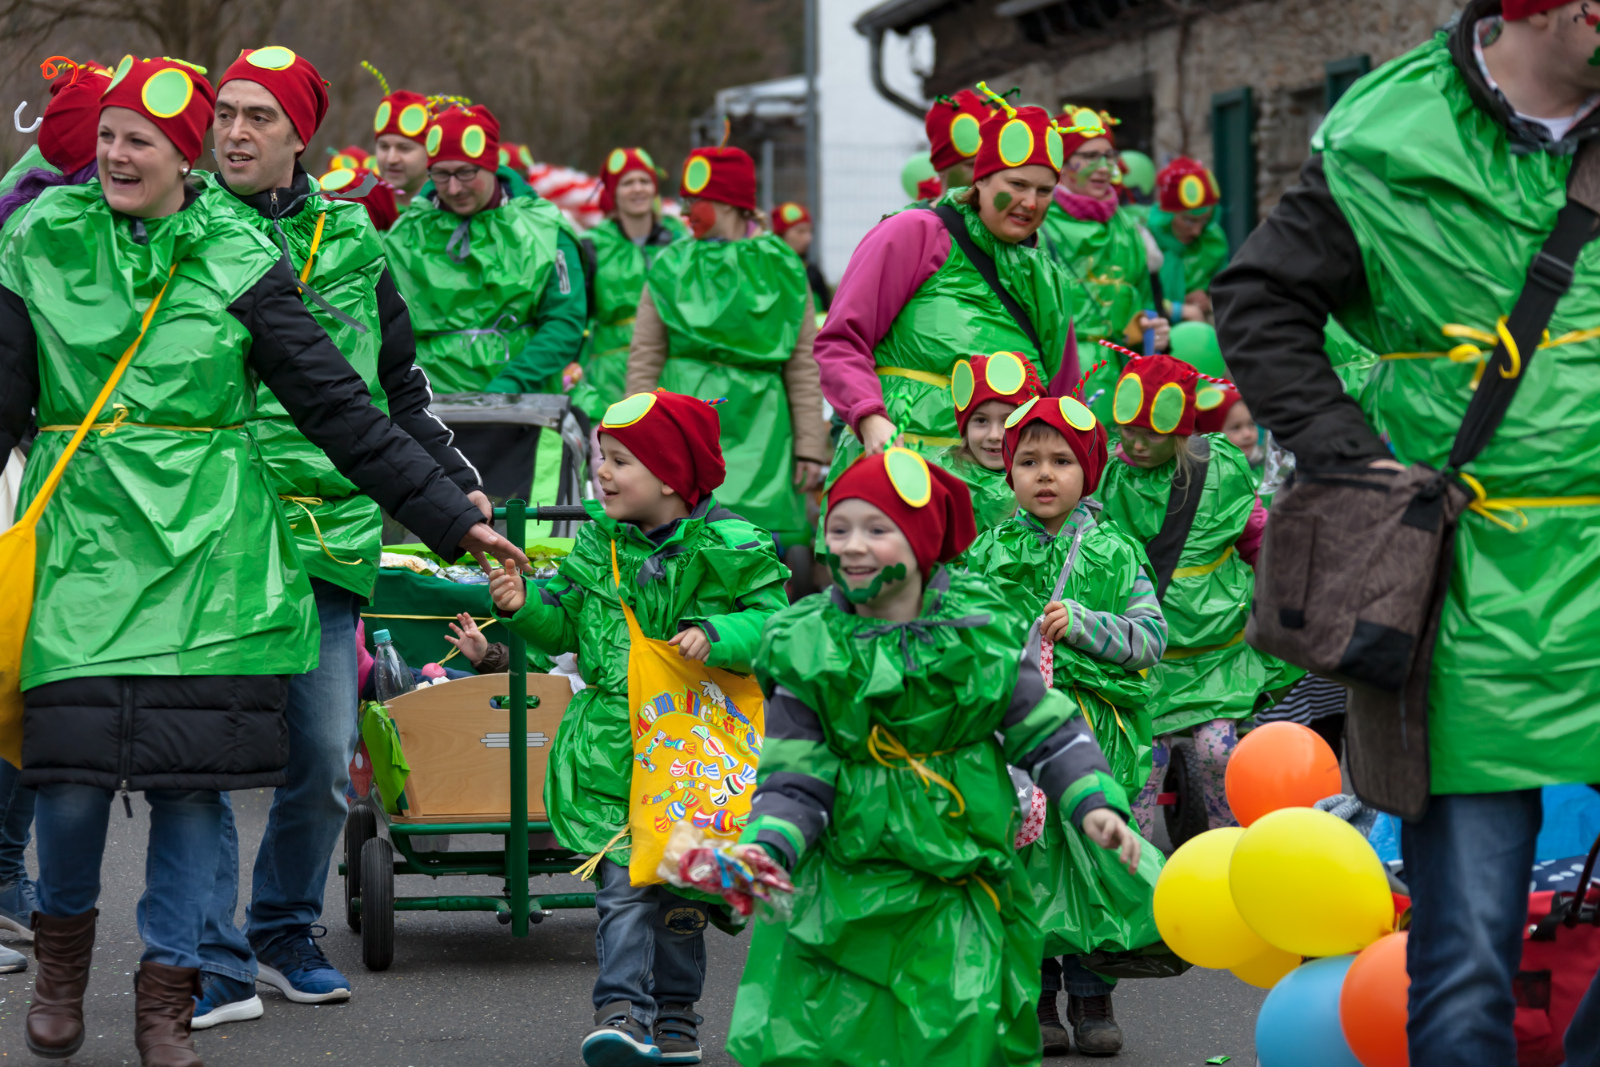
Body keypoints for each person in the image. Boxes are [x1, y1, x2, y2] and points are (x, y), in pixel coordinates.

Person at [0, 54, 525, 1067]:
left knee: (192, 786)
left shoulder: (238, 252)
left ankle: (171, 996)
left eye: (138, 139)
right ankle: (63, 964)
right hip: (85, 550)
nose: (114, 153)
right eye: (106, 134)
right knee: (64, 775)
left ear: (181, 153)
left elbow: (346, 408)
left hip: (217, 561)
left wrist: (449, 518)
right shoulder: (37, 240)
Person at [1211, 1, 1600, 1062]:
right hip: (1465, 595)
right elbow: (1257, 296)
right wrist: (1350, 456)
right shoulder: (1390, 133)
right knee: (1467, 952)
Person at [191, 45, 488, 1029]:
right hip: (210, 530)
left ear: (298, 136)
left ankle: (281, 928)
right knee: (204, 754)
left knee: (319, 751)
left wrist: (460, 499)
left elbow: (396, 391)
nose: (234, 132)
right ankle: (201, 950)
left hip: (330, 530)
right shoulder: (179, 227)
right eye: (225, 113)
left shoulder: (358, 240)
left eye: (258, 118)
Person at [724, 448, 1141, 1067]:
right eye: (839, 528)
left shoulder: (978, 630)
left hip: (956, 883)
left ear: (920, 544)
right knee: (844, 1037)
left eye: (876, 529)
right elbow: (793, 776)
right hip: (846, 888)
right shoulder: (807, 643)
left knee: (958, 1031)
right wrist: (768, 846)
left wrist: (1092, 801)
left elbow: (1046, 728)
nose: (852, 546)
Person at [487, 390, 790, 1067]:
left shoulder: (731, 544)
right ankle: (621, 1010)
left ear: (673, 476)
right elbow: (568, 618)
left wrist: (721, 632)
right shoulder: (598, 540)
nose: (602, 472)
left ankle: (677, 1014)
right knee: (623, 886)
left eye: (621, 460)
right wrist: (526, 602)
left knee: (681, 894)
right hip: (613, 749)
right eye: (601, 457)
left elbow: (777, 624)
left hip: (693, 748)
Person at [963, 392, 1166, 1056]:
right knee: (1027, 859)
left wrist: (1085, 624)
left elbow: (1149, 638)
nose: (1043, 474)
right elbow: (965, 634)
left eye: (1060, 460)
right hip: (1017, 738)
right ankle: (1038, 993)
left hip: (1095, 737)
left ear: (1089, 470)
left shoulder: (1113, 549)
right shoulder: (989, 551)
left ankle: (1091, 991)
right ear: (1007, 472)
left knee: (1092, 865)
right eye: (1028, 461)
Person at [0, 54, 116, 979]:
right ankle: (6, 885)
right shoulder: (34, 223)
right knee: (23, 679)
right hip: (37, 471)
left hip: (74, 471)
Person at [815, 84, 1080, 486]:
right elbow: (841, 340)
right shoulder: (915, 233)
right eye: (1018, 185)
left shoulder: (1046, 277)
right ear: (983, 179)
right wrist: (869, 418)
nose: (1031, 202)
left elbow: (1064, 397)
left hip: (1004, 499)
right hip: (903, 476)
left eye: (1044, 191)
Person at [1092, 354, 1300, 840]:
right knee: (1145, 759)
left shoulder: (1222, 468)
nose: (1137, 444)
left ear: (1181, 431)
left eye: (1153, 433)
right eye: (1128, 430)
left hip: (1214, 654)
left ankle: (1229, 851)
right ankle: (1135, 869)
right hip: (1146, 657)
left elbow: (1255, 537)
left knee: (1219, 750)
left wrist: (1281, 592)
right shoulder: (1111, 476)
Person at [625, 147, 830, 562]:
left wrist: (810, 444)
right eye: (684, 203)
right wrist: (634, 435)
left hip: (763, 421)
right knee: (686, 530)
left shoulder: (782, 265)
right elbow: (645, 354)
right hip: (686, 415)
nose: (687, 213)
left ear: (732, 204)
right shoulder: (672, 263)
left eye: (698, 202)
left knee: (757, 536)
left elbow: (803, 359)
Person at [385, 101, 588, 396]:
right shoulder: (405, 233)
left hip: (521, 404)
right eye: (441, 174)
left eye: (466, 173)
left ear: (491, 166)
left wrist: (510, 385)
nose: (454, 188)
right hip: (428, 408)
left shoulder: (544, 228)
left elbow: (564, 320)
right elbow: (386, 325)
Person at [1039, 106, 1170, 429]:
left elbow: (1144, 304)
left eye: (1109, 156)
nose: (1103, 168)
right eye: (1089, 156)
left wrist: (1151, 331)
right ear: (1062, 163)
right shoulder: (1037, 224)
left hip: (1125, 380)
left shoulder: (1130, 228)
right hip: (1061, 377)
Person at [570, 146, 685, 422]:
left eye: (644, 181)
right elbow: (577, 317)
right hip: (610, 376)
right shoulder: (592, 245)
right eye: (627, 183)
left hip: (672, 365)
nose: (638, 189)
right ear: (612, 193)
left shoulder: (679, 242)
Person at [947, 350, 1042, 531]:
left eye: (1008, 421)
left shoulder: (1048, 481)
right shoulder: (944, 482)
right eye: (981, 420)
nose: (994, 435)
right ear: (965, 428)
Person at [1146, 158, 1229, 324]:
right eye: (1189, 220)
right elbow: (1133, 298)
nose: (1197, 231)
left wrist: (1208, 301)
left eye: (1205, 221)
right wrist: (1178, 309)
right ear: (1167, 215)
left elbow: (1230, 291)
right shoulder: (1145, 241)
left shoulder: (1213, 241)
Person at [364, 61, 430, 223]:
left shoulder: (450, 211)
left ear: (430, 151)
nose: (391, 159)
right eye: (384, 146)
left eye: (404, 148)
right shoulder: (362, 208)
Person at [923, 88, 993, 192]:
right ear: (942, 168)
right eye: (972, 165)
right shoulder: (922, 209)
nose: (985, 174)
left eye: (991, 164)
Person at [770, 201, 832, 312]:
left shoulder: (812, 273)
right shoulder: (769, 270)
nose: (808, 238)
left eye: (809, 231)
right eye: (800, 231)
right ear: (781, 234)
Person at [1191, 376, 1261, 466]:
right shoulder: (1210, 477)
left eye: (1251, 424)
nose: (1247, 434)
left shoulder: (1259, 466)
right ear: (1211, 434)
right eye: (1236, 427)